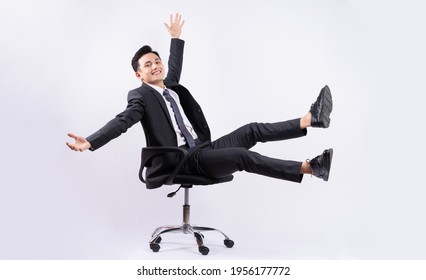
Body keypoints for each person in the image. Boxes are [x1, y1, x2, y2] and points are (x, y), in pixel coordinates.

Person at [66, 13, 334, 189]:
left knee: (252, 129)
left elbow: (173, 66)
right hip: (181, 159)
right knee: (243, 156)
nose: (156, 66)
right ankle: (312, 168)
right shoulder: (141, 96)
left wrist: (175, 38)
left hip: (203, 149)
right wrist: (91, 141)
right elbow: (122, 122)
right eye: (148, 65)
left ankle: (311, 119)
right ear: (139, 74)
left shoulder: (169, 87)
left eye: (157, 61)